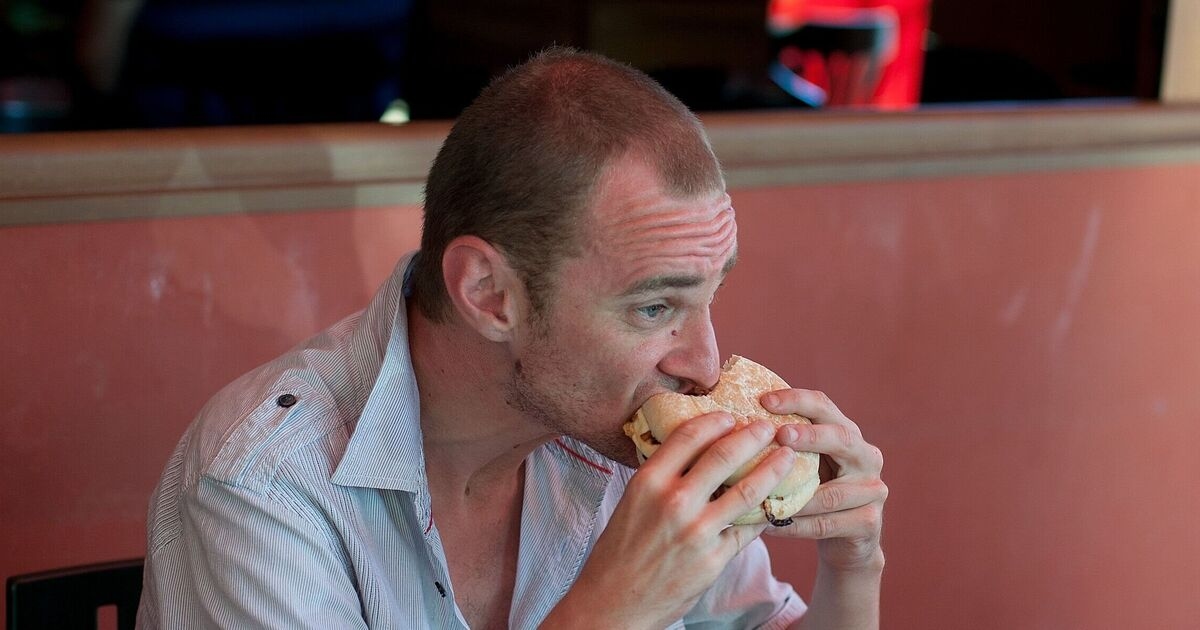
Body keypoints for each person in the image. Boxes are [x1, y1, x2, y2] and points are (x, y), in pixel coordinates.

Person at [137, 47, 886, 629]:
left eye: (709, 296)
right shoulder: (262, 486)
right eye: (654, 309)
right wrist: (611, 608)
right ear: (490, 295)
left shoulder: (628, 438)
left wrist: (853, 562)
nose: (704, 366)